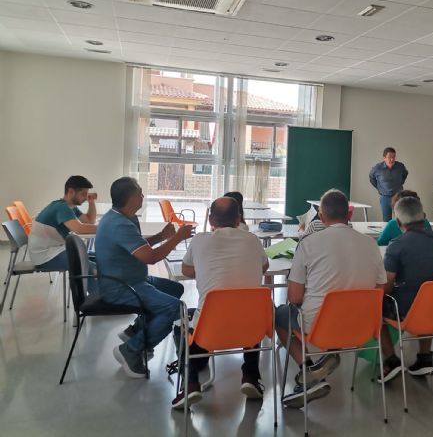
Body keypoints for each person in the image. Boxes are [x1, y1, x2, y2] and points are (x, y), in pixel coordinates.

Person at [274, 189, 387, 409]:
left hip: (318, 326)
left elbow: (294, 297)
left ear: (321, 217)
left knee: (278, 315)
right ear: (350, 215)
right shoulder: (371, 245)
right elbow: (379, 290)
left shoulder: (308, 243)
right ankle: (315, 370)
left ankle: (307, 370)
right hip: (362, 326)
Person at [172, 197, 269, 408]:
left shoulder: (199, 240)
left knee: (183, 324)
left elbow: (186, 270)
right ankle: (251, 376)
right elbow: (264, 267)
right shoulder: (252, 240)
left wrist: (208, 268)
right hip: (251, 330)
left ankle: (190, 383)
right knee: (247, 310)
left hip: (210, 330)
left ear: (210, 219)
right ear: (238, 219)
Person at [95, 177, 193, 379]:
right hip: (122, 287)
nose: (143, 196)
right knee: (176, 308)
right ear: (130, 198)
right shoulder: (118, 224)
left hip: (134, 279)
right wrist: (176, 238)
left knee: (175, 289)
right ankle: (132, 349)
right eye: (139, 192)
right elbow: (151, 257)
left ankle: (137, 330)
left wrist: (161, 236)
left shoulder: (124, 217)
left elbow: (135, 245)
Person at [379, 197, 433, 381]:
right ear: (424, 216)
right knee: (427, 296)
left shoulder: (397, 245)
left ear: (398, 222)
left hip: (412, 312)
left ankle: (391, 360)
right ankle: (424, 357)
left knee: (373, 305)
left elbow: (386, 287)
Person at [28, 175, 98, 272]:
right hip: (45, 257)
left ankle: (98, 285)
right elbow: (79, 229)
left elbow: (90, 221)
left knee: (97, 257)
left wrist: (91, 202)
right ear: (71, 192)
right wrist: (105, 227)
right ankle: (99, 286)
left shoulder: (70, 207)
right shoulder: (61, 207)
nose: (86, 197)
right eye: (83, 194)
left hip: (54, 251)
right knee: (90, 267)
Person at [369, 147, 409, 222]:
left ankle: (400, 234)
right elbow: (371, 178)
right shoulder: (377, 168)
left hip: (398, 196)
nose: (392, 159)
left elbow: (405, 174)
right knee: (386, 221)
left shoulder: (400, 166)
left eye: (394, 157)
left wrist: (400, 183)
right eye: (390, 157)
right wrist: (379, 188)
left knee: (401, 219)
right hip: (385, 197)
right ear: (384, 158)